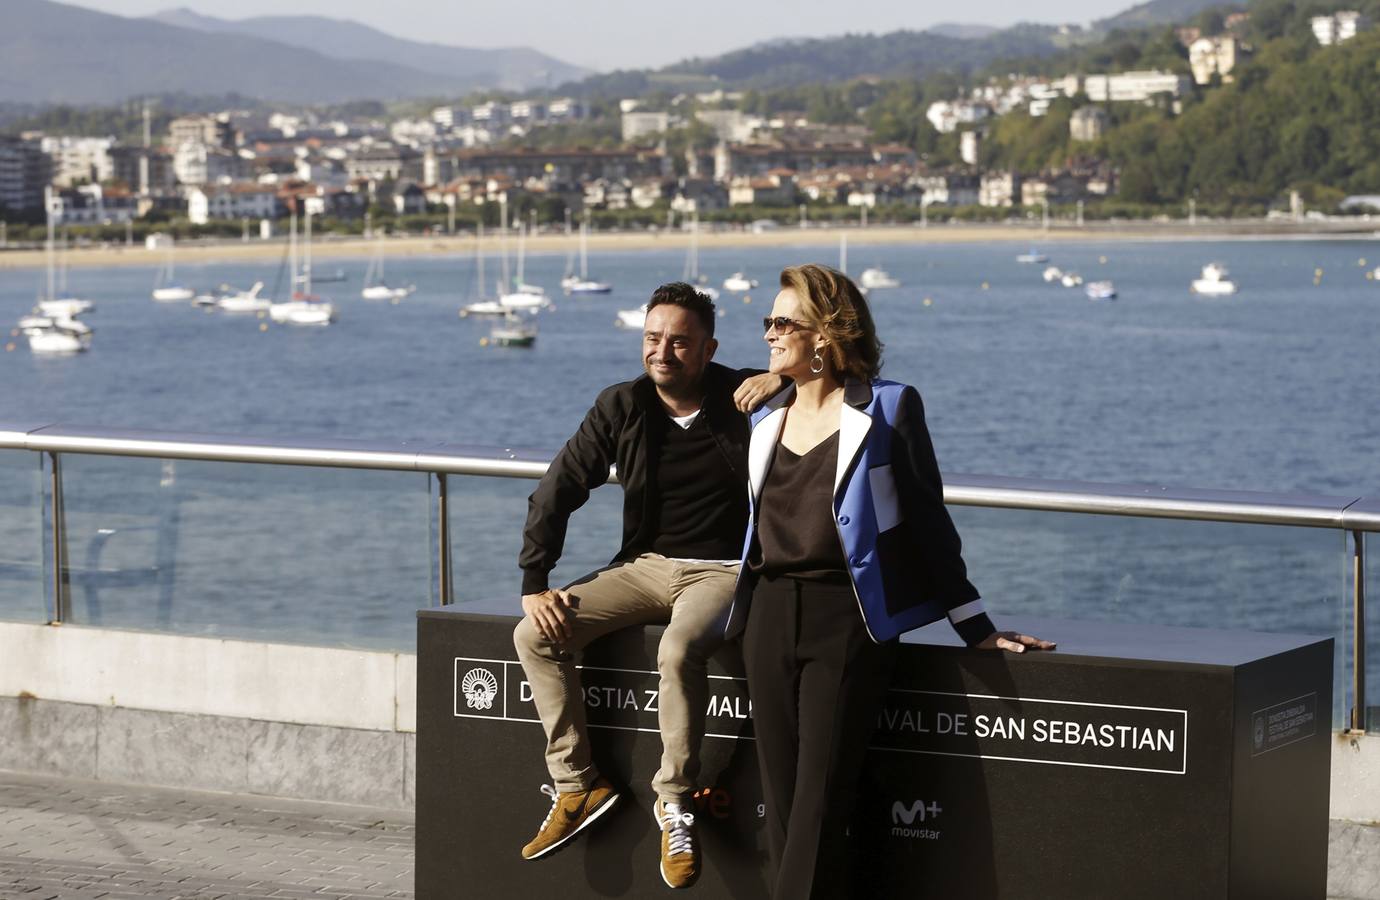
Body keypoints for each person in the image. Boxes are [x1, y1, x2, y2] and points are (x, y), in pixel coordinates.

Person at [725, 264, 1055, 900]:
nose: (767, 334)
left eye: (781, 323)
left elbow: (928, 518)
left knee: (820, 805)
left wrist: (975, 627)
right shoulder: (764, 416)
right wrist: (781, 378)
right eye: (766, 322)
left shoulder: (889, 407)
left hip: (845, 622)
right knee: (783, 802)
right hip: (766, 615)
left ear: (823, 334)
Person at [513, 281, 780, 888]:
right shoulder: (623, 405)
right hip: (646, 565)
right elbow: (560, 486)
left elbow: (832, 380)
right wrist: (536, 579)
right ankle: (577, 785)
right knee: (535, 634)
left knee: (680, 647)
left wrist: (779, 378)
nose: (663, 351)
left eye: (680, 341)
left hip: (723, 570)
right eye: (654, 338)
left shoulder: (742, 397)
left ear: (708, 349)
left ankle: (675, 802)